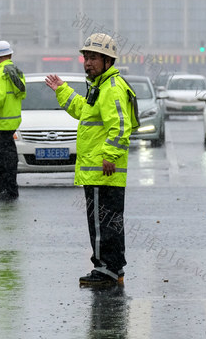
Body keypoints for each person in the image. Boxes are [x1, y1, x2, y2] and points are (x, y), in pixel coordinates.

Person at [45, 33, 137, 288]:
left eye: (93, 58)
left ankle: (105, 269)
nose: (88, 63)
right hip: (101, 172)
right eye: (86, 57)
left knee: (102, 224)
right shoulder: (101, 86)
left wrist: (109, 155)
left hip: (102, 171)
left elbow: (120, 126)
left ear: (108, 60)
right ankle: (113, 268)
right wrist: (62, 90)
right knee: (110, 224)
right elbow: (84, 112)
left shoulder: (111, 88)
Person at [0, 40, 26, 200]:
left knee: (3, 156)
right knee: (8, 155)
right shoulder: (16, 71)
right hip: (13, 120)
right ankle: (6, 187)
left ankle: (8, 189)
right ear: (10, 54)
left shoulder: (1, 73)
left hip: (3, 121)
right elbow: (22, 93)